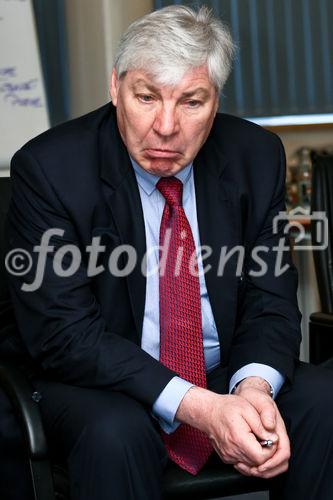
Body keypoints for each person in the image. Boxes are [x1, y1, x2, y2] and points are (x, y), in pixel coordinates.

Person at [2, 5, 333, 500]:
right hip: (97, 378)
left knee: (323, 399)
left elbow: (271, 299)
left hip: (218, 369)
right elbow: (65, 336)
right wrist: (199, 406)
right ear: (115, 87)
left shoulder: (255, 156)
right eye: (146, 97)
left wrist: (252, 390)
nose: (165, 126)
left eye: (191, 102)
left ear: (215, 102)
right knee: (117, 434)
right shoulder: (50, 169)